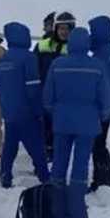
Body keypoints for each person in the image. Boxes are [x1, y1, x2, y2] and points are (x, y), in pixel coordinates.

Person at [43, 27, 110, 218]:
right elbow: (105, 97)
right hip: (87, 124)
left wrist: (55, 113)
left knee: (59, 164)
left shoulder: (57, 64)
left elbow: (47, 97)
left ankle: (56, 212)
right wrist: (102, 116)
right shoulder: (97, 66)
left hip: (62, 122)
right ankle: (77, 217)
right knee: (80, 168)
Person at [0, 22, 50, 188]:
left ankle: (5, 174)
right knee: (36, 145)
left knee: (10, 145)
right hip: (27, 112)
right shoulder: (29, 58)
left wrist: (5, 107)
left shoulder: (1, 60)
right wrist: (38, 110)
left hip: (9, 111)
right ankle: (45, 176)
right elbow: (33, 88)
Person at [34, 11, 76, 157]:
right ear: (56, 28)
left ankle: (55, 152)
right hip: (43, 93)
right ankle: (45, 151)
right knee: (43, 126)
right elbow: (34, 68)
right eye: (61, 28)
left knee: (58, 127)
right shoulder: (42, 45)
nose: (64, 32)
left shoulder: (75, 49)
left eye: (67, 29)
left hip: (63, 97)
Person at [87, 15, 110, 191]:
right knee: (100, 144)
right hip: (108, 107)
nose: (90, 35)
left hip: (100, 109)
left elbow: (99, 84)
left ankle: (103, 182)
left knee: (98, 145)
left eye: (92, 32)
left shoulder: (101, 56)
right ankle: (102, 180)